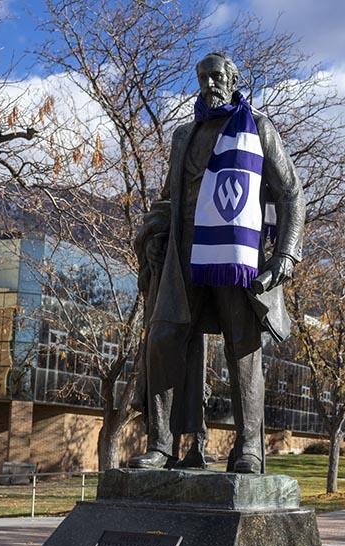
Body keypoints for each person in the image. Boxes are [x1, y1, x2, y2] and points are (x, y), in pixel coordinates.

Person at [128, 51, 305, 474]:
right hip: (184, 255)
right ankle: (162, 445)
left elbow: (292, 194)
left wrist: (286, 253)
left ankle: (248, 448)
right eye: (203, 77)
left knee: (242, 346)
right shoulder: (183, 136)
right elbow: (170, 197)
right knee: (163, 337)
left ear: (234, 78)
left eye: (217, 77)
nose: (209, 85)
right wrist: (153, 232)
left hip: (235, 254)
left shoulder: (258, 129)